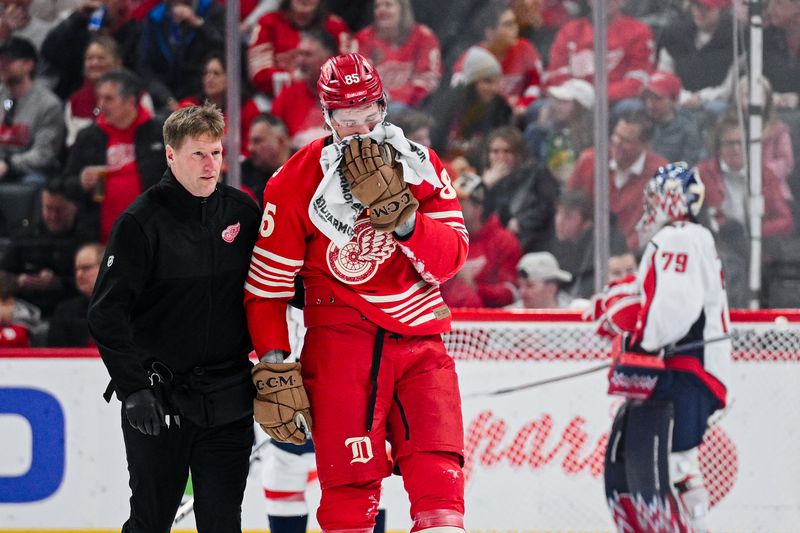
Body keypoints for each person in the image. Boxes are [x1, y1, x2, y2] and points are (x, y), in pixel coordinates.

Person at [244, 53, 468, 533]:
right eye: (348, 124)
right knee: (349, 497)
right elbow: (267, 291)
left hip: (421, 342)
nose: (363, 133)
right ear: (326, 117)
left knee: (442, 486)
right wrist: (274, 359)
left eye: (371, 118)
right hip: (340, 342)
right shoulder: (293, 183)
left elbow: (450, 261)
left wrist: (407, 221)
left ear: (384, 106)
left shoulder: (421, 165)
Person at [87, 103, 261, 532]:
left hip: (228, 399)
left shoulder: (241, 211)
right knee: (151, 521)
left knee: (223, 524)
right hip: (161, 400)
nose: (210, 165)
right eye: (198, 154)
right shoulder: (140, 222)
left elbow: (275, 286)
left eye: (216, 153)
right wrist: (134, 389)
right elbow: (106, 313)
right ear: (170, 155)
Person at [591, 163, 731, 533]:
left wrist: (640, 336)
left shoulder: (680, 236)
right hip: (689, 369)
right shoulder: (689, 237)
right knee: (677, 461)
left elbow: (674, 309)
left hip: (687, 368)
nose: (650, 204)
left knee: (668, 464)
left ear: (674, 197)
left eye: (656, 196)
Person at [62, 69, 167, 242]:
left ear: (130, 101)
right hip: (101, 239)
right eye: (100, 98)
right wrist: (81, 182)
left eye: (109, 99)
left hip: (152, 237)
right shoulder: (88, 136)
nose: (101, 105)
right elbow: (67, 184)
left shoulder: (161, 132)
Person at [567, 110, 668, 251]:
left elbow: (654, 224)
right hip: (584, 252)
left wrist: (623, 252)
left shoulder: (660, 174)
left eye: (627, 141)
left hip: (632, 257)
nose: (617, 143)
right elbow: (568, 207)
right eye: (616, 135)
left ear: (644, 145)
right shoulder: (589, 161)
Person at [0, 181, 90, 317]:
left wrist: (58, 283)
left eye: (59, 210)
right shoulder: (25, 235)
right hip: (23, 306)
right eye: (48, 208)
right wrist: (17, 281)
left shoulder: (86, 239)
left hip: (70, 308)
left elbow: (93, 283)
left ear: (74, 207)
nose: (53, 216)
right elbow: (4, 273)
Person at [440, 172, 522, 308]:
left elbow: (512, 293)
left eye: (460, 201)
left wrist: (475, 288)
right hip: (449, 321)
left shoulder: (504, 241)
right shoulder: (445, 239)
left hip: (491, 323)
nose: (451, 205)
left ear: (478, 208)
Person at [247, 0, 351, 98]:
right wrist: (297, 80)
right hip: (275, 98)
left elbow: (346, 71)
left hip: (323, 98)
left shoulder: (335, 26)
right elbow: (260, 75)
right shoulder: (269, 22)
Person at [137, 0, 225, 111]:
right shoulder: (155, 18)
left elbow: (226, 50)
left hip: (204, 98)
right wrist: (166, 98)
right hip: (166, 101)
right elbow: (146, 67)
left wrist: (198, 23)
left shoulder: (212, 11)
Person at [354, 0, 442, 112]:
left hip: (413, 110)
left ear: (403, 9)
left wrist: (394, 97)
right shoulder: (363, 38)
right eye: (377, 6)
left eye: (388, 5)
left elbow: (428, 78)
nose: (381, 10)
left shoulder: (424, 36)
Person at [0, 36, 64, 184]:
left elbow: (44, 155)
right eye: (1, 60)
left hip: (29, 173)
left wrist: (8, 164)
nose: (2, 65)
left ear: (29, 65)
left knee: (34, 180)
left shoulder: (49, 104)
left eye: (9, 61)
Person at [271, 27, 337, 150]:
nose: (300, 61)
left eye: (307, 55)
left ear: (329, 59)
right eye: (299, 54)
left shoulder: (350, 97)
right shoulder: (287, 98)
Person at [47, 242, 104, 347]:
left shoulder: (128, 307)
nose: (79, 275)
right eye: (76, 269)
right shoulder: (65, 312)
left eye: (86, 268)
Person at [642, 71, 705, 166]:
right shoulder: (639, 122)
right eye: (648, 97)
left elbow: (687, 166)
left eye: (657, 98)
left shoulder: (688, 130)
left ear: (674, 100)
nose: (650, 104)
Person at [241, 112, 292, 207]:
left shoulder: (305, 167)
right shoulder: (243, 172)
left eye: (257, 141)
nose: (250, 148)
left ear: (280, 142)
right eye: (250, 141)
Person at [509, 251, 574, 309]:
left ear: (551, 289)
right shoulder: (507, 317)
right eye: (520, 286)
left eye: (529, 286)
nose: (522, 292)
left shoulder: (574, 314)